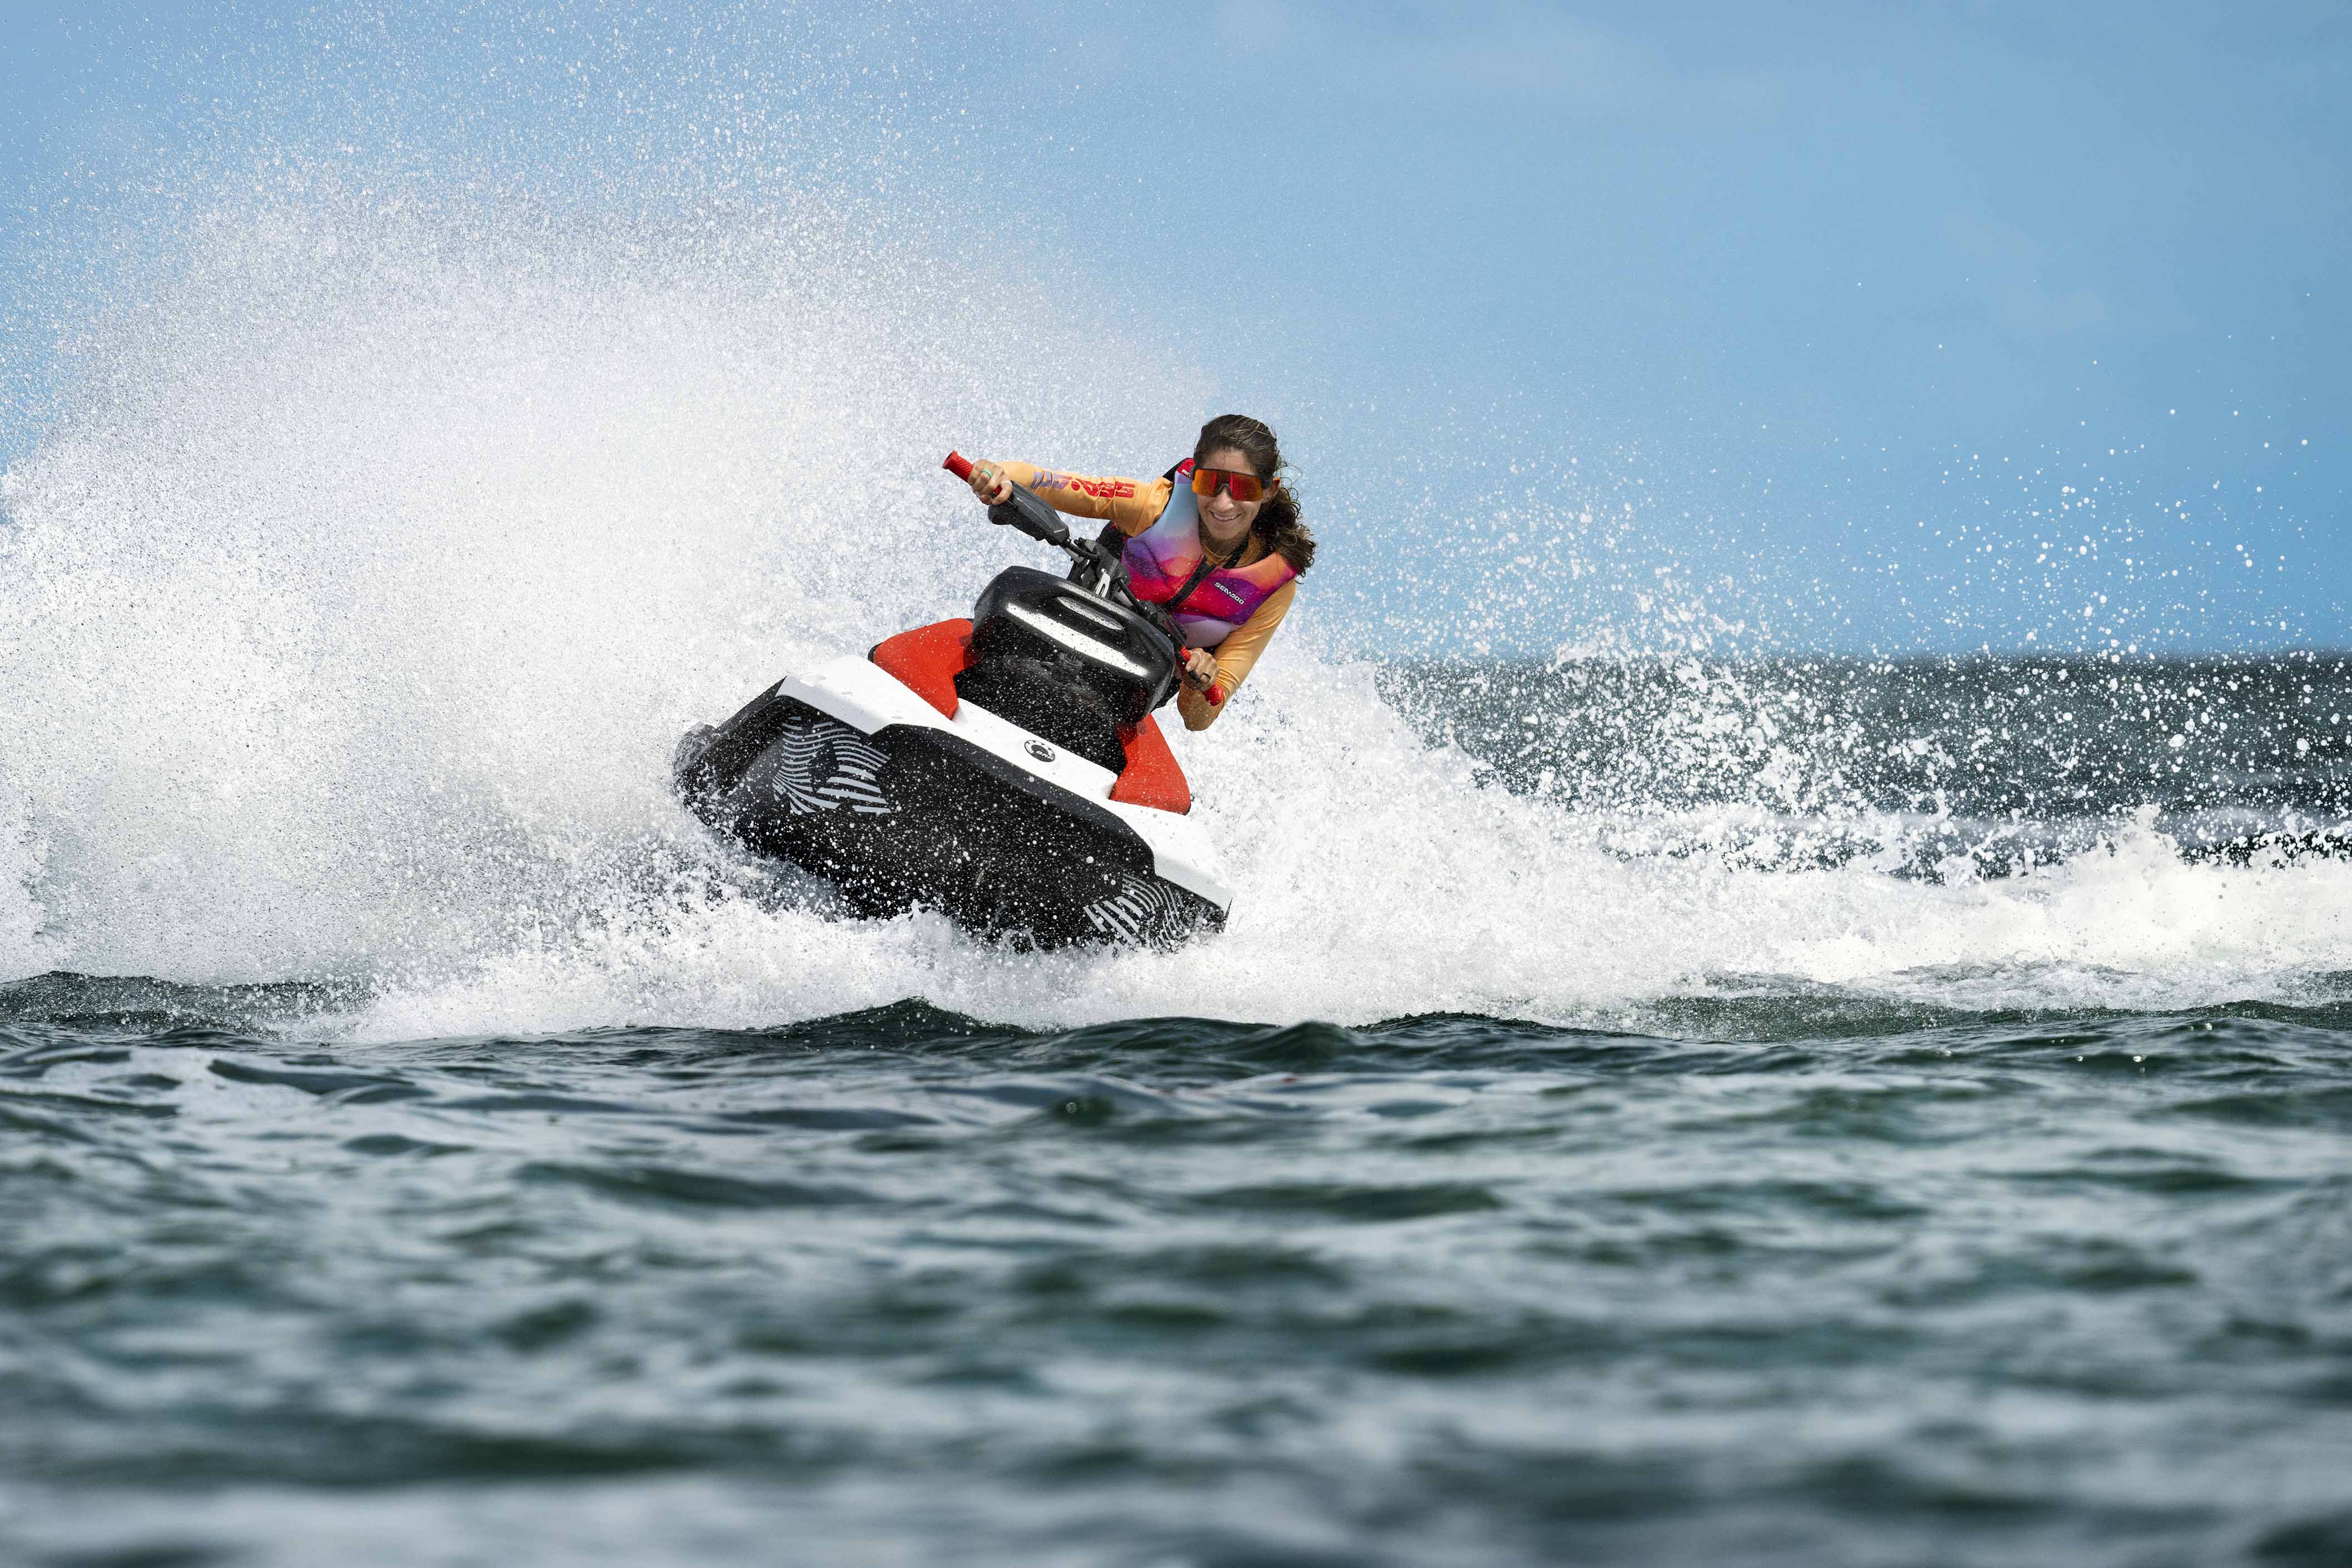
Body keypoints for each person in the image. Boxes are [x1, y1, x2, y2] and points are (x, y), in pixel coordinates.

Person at [962, 414, 1316, 730]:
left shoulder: (1273, 588)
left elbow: (1199, 719)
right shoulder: (1153, 506)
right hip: (1054, 643)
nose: (1223, 503)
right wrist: (1000, 474)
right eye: (1211, 484)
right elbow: (1053, 483)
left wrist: (1204, 684)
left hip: (1119, 700)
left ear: (1268, 491)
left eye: (1243, 488)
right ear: (1194, 479)